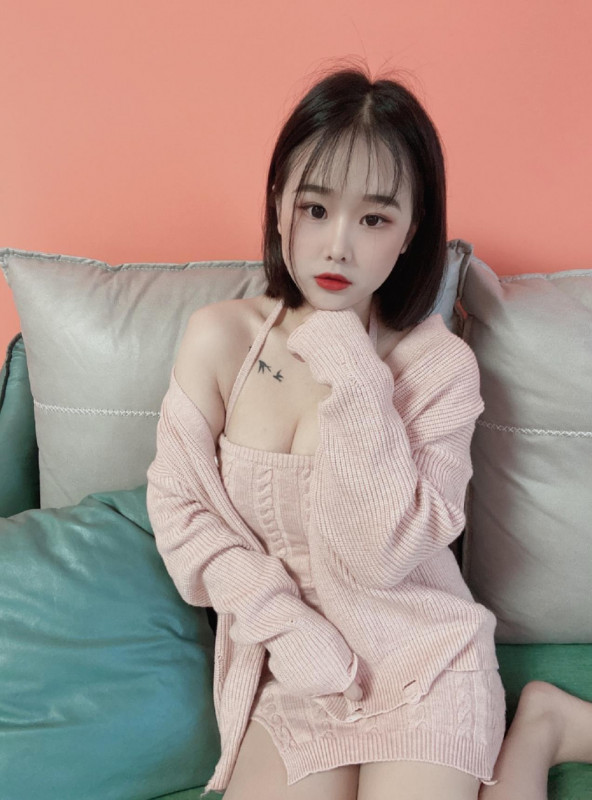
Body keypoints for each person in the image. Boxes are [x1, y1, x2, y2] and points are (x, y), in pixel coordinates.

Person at [146, 65, 592, 799]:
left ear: (411, 232)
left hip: (423, 658)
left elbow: (382, 556)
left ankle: (541, 726)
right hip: (297, 670)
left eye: (374, 219)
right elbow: (181, 511)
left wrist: (352, 365)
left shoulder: (441, 369)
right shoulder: (219, 340)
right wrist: (285, 626)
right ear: (279, 205)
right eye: (316, 208)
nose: (338, 247)